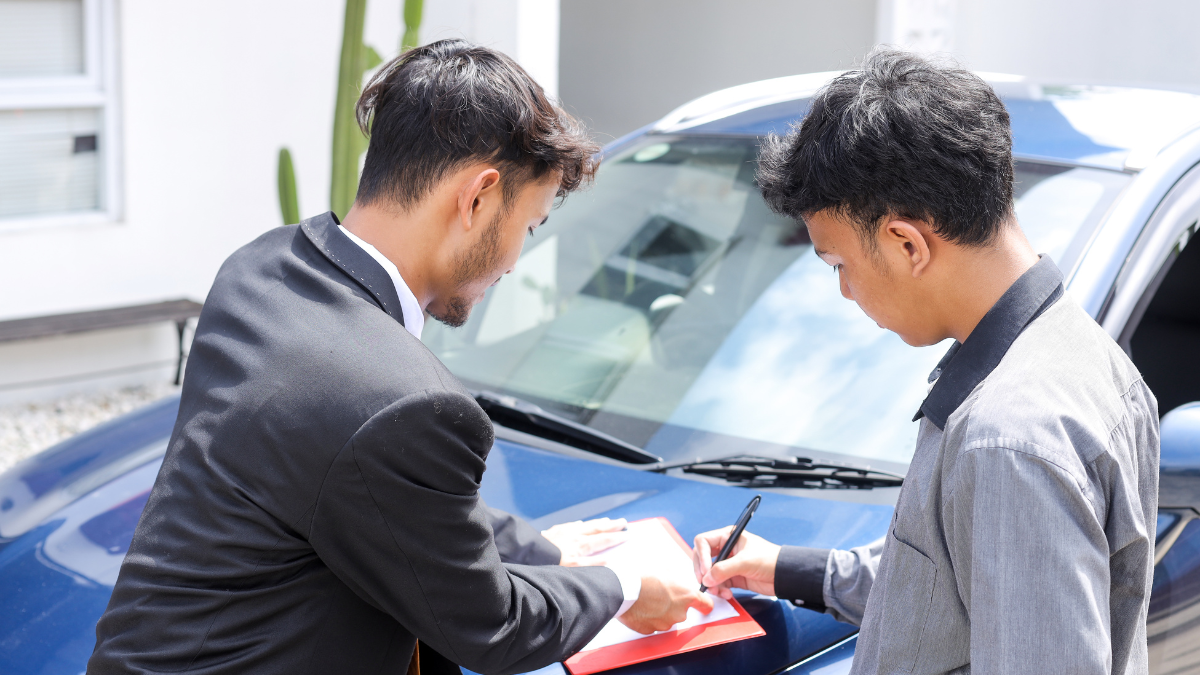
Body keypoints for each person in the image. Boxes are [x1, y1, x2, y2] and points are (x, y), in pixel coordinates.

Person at [89, 40, 711, 675]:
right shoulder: (403, 403)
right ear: (477, 198)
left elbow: (373, 487)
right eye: (527, 227)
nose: (513, 263)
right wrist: (622, 586)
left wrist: (544, 551)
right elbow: (491, 625)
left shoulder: (259, 271)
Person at [692, 48, 1159, 674]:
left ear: (907, 243)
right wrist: (788, 569)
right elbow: (954, 584)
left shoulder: (1010, 438)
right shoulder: (1080, 354)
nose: (844, 291)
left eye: (839, 264)